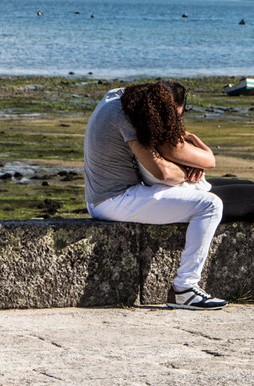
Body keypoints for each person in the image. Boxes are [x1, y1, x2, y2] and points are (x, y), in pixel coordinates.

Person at [122, 81, 254, 304]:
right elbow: (209, 159)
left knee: (250, 185)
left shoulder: (142, 130)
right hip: (189, 195)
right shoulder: (167, 137)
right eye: (179, 111)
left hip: (181, 189)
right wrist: (195, 141)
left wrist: (190, 164)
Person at [84, 81, 226, 310]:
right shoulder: (126, 116)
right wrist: (191, 173)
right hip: (114, 200)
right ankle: (185, 288)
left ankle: (186, 289)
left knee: (195, 194)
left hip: (105, 197)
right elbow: (162, 172)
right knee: (210, 205)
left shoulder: (116, 98)